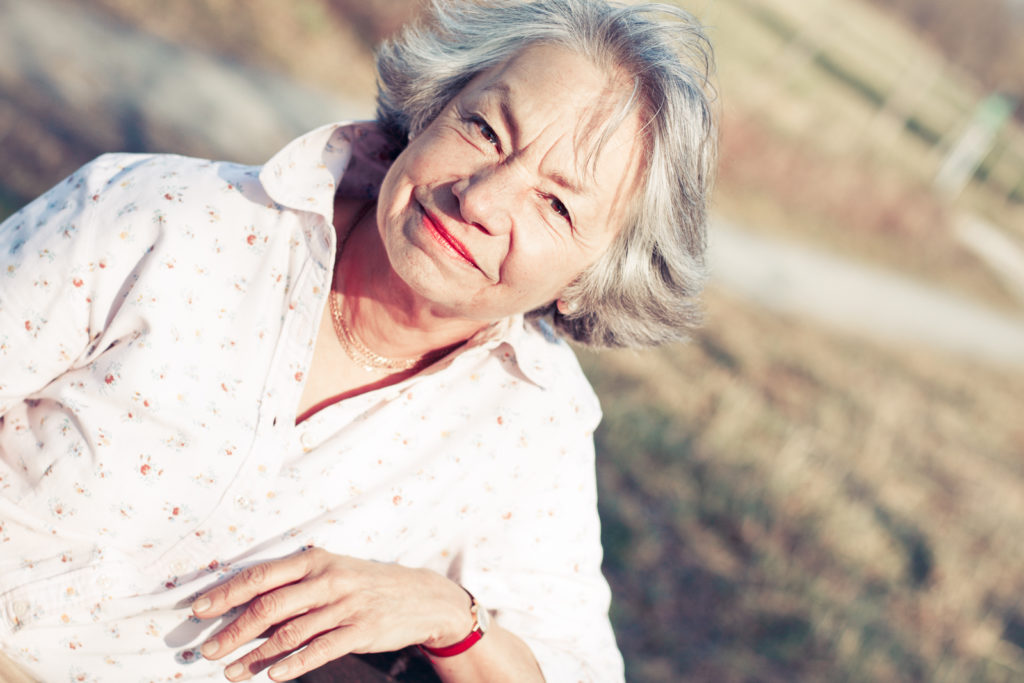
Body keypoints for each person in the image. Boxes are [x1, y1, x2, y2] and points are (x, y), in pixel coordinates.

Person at [0, 0, 716, 680]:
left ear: (590, 279)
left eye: (556, 204)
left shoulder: (530, 420)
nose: (481, 198)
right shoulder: (164, 217)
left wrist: (451, 617)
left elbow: (576, 669)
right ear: (431, 108)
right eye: (485, 130)